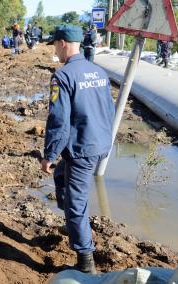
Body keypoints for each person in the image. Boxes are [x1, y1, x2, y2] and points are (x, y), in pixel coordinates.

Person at [43, 25, 115, 274]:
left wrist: (50, 155)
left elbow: (58, 122)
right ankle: (74, 224)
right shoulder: (99, 72)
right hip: (98, 143)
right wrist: (106, 144)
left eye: (55, 45)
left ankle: (86, 262)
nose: (55, 50)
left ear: (63, 43)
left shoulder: (63, 76)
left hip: (82, 148)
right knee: (60, 176)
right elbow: (110, 110)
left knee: (76, 203)